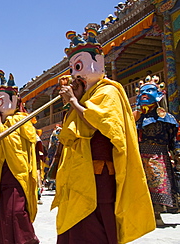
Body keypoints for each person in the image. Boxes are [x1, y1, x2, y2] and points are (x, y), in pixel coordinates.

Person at [51, 29, 155, 244]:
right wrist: (76, 100)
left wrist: (73, 101)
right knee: (75, 225)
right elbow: (71, 132)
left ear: (98, 62)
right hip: (79, 171)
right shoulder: (85, 96)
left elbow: (98, 122)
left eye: (78, 67)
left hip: (99, 174)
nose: (75, 74)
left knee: (95, 226)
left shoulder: (109, 92)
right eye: (72, 69)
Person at [0, 70, 39, 244]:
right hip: (0, 178)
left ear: (14, 101)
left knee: (16, 212)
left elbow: (16, 150)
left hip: (16, 178)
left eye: (1, 101)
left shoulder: (21, 121)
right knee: (2, 216)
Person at [133, 75, 180, 226]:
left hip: (158, 155)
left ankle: (157, 214)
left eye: (150, 91)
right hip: (139, 155)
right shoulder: (137, 117)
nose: (145, 94)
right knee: (140, 185)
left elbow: (174, 136)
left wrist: (176, 152)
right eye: (142, 92)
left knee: (158, 184)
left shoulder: (166, 117)